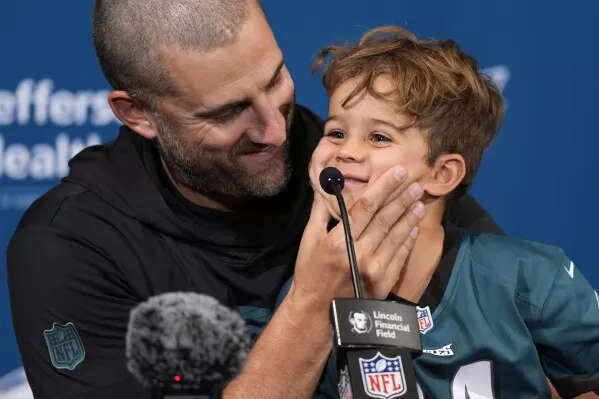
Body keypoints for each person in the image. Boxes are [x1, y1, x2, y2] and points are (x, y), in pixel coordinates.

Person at [6, 1, 503, 398]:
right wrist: (315, 304)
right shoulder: (69, 248)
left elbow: (533, 356)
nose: (274, 129)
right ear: (138, 114)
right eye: (228, 112)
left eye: (276, 80)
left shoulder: (360, 166)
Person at [275, 25, 599, 398]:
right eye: (335, 133)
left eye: (379, 137)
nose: (346, 152)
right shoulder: (302, 299)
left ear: (442, 174)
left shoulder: (532, 279)